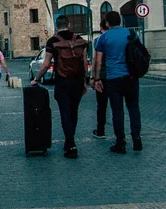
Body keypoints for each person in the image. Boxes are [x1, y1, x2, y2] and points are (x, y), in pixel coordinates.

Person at [31, 15, 88, 159]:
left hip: (62, 81)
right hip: (77, 81)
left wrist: (36, 79)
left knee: (65, 113)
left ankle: (71, 144)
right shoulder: (79, 40)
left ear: (57, 26)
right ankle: (69, 142)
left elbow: (45, 64)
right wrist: (85, 81)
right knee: (74, 112)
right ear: (69, 25)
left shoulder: (53, 41)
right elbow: (84, 62)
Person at [92, 11, 142, 154]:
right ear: (120, 21)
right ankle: (136, 137)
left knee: (117, 111)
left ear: (107, 23)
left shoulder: (104, 38)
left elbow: (98, 60)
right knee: (133, 108)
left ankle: (120, 142)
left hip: (113, 77)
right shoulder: (131, 34)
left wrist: (96, 79)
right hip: (131, 76)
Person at [92, 19, 109, 139]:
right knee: (117, 106)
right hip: (116, 76)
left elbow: (96, 60)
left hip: (102, 76)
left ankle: (100, 130)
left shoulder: (98, 40)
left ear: (101, 27)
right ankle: (121, 135)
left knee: (101, 105)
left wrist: (94, 78)